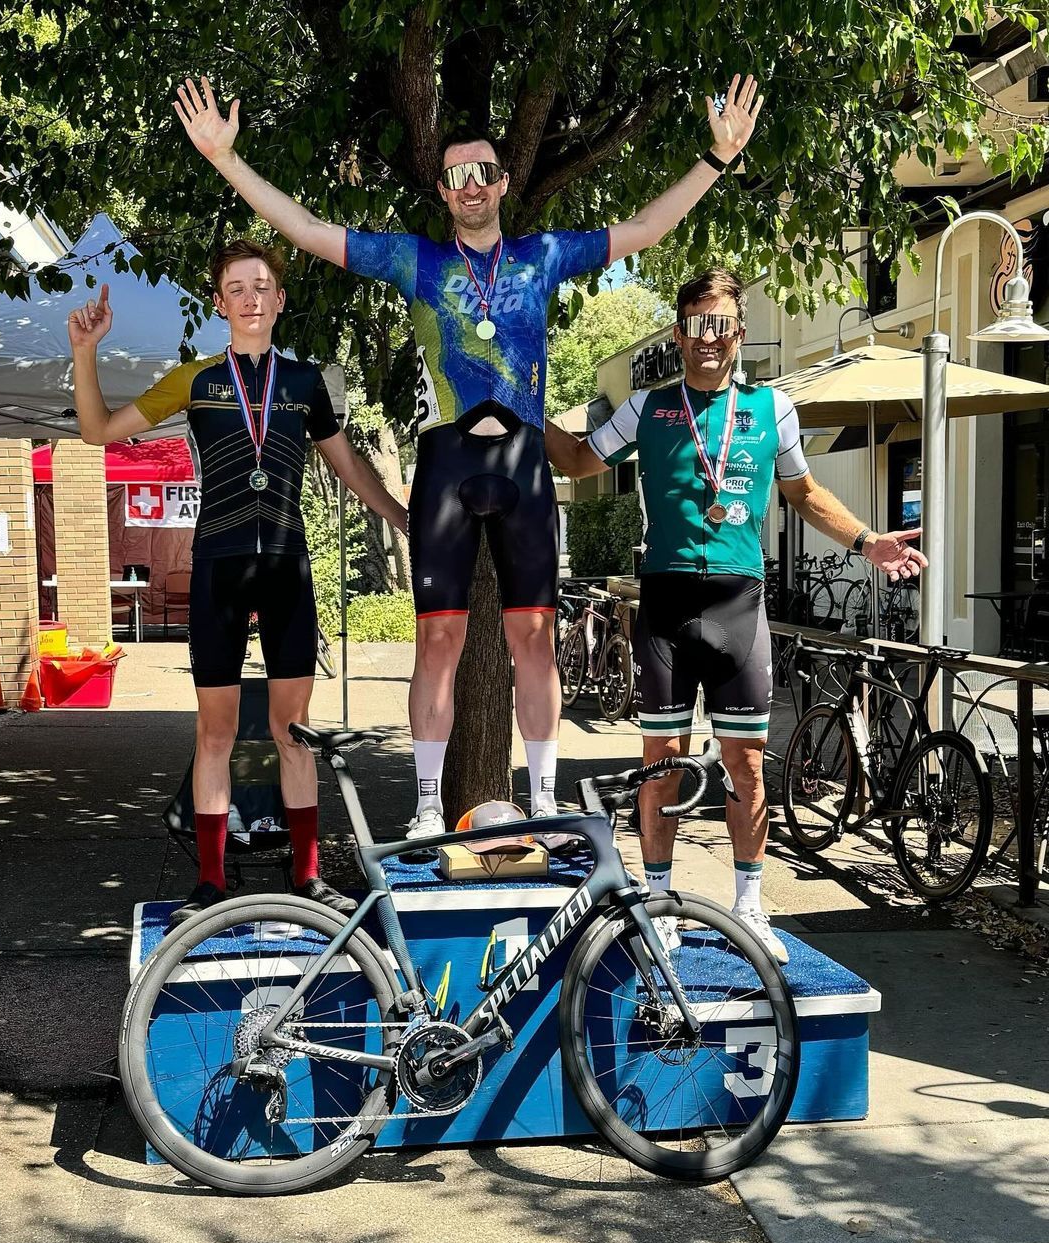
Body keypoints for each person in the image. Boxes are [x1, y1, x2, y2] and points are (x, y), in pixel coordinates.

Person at [172, 73, 764, 839]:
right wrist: (226, 160)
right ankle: (425, 807)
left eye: (483, 170)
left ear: (504, 180)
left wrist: (715, 160)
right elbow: (310, 232)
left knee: (534, 637)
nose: (471, 184)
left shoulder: (542, 254)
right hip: (446, 466)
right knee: (438, 638)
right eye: (455, 176)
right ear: (444, 192)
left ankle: (545, 798)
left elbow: (644, 229)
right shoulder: (415, 260)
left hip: (524, 466)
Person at [545, 267, 927, 962]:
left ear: (739, 333)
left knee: (747, 767)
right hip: (664, 606)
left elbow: (805, 492)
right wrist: (518, 403)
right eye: (695, 326)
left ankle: (750, 906)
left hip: (738, 606)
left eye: (720, 325)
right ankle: (659, 908)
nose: (707, 340)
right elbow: (575, 460)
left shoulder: (772, 408)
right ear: (680, 334)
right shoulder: (647, 408)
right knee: (661, 766)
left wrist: (869, 540)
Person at [67, 238, 408, 927]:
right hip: (219, 567)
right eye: (236, 288)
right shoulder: (194, 380)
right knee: (215, 732)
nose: (251, 298)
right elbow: (98, 431)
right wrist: (85, 351)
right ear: (219, 303)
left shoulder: (307, 382)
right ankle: (212, 882)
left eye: (262, 286)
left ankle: (308, 877)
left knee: (294, 733)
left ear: (280, 300)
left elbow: (347, 462)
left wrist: (402, 516)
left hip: (286, 567)